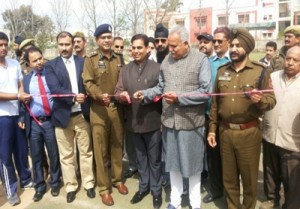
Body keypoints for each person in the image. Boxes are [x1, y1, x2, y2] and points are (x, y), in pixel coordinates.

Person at [134, 25, 212, 209]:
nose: (170, 50)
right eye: (169, 46)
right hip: (169, 122)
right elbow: (161, 88)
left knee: (193, 167)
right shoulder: (167, 61)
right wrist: (145, 93)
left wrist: (180, 98)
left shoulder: (200, 60)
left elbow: (205, 92)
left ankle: (195, 204)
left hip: (191, 123)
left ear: (186, 44)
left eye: (174, 46)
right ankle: (175, 202)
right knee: (173, 165)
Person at [208, 27, 276, 209]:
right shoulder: (222, 71)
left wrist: (259, 99)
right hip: (225, 132)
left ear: (247, 48)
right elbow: (215, 103)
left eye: (238, 46)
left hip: (249, 134)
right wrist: (212, 130)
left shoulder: (260, 71)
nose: (233, 49)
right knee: (228, 179)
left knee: (249, 180)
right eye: (232, 45)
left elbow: (271, 101)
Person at [45, 31, 95, 203]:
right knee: (66, 155)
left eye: (67, 44)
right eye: (61, 44)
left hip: (82, 114)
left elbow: (89, 83)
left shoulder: (83, 62)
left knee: (85, 152)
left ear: (74, 44)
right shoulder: (51, 66)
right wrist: (73, 97)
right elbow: (54, 88)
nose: (64, 48)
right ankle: (71, 187)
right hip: (62, 116)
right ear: (57, 45)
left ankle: (88, 183)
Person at [115, 34, 162, 209]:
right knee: (140, 159)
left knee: (155, 160)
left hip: (153, 122)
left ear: (148, 48)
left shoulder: (157, 68)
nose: (135, 51)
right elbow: (118, 89)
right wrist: (122, 95)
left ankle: (156, 191)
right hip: (133, 122)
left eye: (139, 47)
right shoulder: (125, 69)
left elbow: (162, 93)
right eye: (133, 48)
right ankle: (144, 187)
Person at [82, 24, 128, 206]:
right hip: (99, 110)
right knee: (101, 151)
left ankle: (117, 180)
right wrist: (98, 95)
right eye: (103, 37)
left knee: (117, 145)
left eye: (109, 37)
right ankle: (104, 188)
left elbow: (124, 80)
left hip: (117, 108)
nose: (107, 40)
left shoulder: (119, 58)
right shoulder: (91, 60)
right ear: (97, 40)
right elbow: (88, 82)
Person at [260, 46, 300, 209]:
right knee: (270, 173)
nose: (289, 63)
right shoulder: (273, 77)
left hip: (293, 141)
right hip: (270, 134)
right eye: (288, 58)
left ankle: (291, 205)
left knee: (292, 179)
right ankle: (271, 199)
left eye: (295, 60)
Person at [21, 46, 61, 202]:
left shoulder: (51, 75)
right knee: (36, 157)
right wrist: (21, 119)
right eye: (34, 60)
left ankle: (56, 182)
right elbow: (21, 102)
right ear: (28, 63)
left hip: (50, 121)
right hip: (34, 123)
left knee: (53, 154)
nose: (39, 62)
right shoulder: (26, 79)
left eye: (40, 58)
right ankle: (39, 186)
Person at [0, 31, 33, 206]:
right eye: (0, 45)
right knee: (5, 156)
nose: (3, 48)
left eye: (5, 44)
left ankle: (26, 179)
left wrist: (21, 97)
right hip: (1, 118)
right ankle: (11, 189)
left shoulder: (13, 64)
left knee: (21, 151)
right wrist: (17, 96)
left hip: (16, 115)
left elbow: (20, 84)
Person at [202, 26, 231, 204]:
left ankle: (230, 191)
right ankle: (215, 189)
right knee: (212, 156)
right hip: (208, 116)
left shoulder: (233, 60)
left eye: (221, 40)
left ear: (228, 41)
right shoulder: (207, 62)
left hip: (228, 118)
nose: (217, 44)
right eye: (215, 41)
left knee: (228, 158)